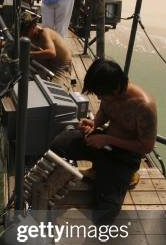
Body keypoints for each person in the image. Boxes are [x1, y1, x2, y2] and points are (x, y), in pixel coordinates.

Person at [50, 59, 158, 223]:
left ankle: (118, 176)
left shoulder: (144, 107)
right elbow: (104, 112)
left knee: (105, 212)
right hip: (104, 142)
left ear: (115, 89)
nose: (99, 97)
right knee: (59, 143)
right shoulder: (110, 94)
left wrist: (108, 139)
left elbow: (146, 147)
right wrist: (94, 125)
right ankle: (97, 170)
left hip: (125, 157)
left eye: (101, 94)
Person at [20, 11, 72, 91]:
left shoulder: (44, 32)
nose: (24, 34)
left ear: (33, 26)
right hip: (46, 63)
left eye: (26, 31)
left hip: (60, 68)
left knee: (56, 94)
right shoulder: (30, 33)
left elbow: (51, 53)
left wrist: (28, 54)